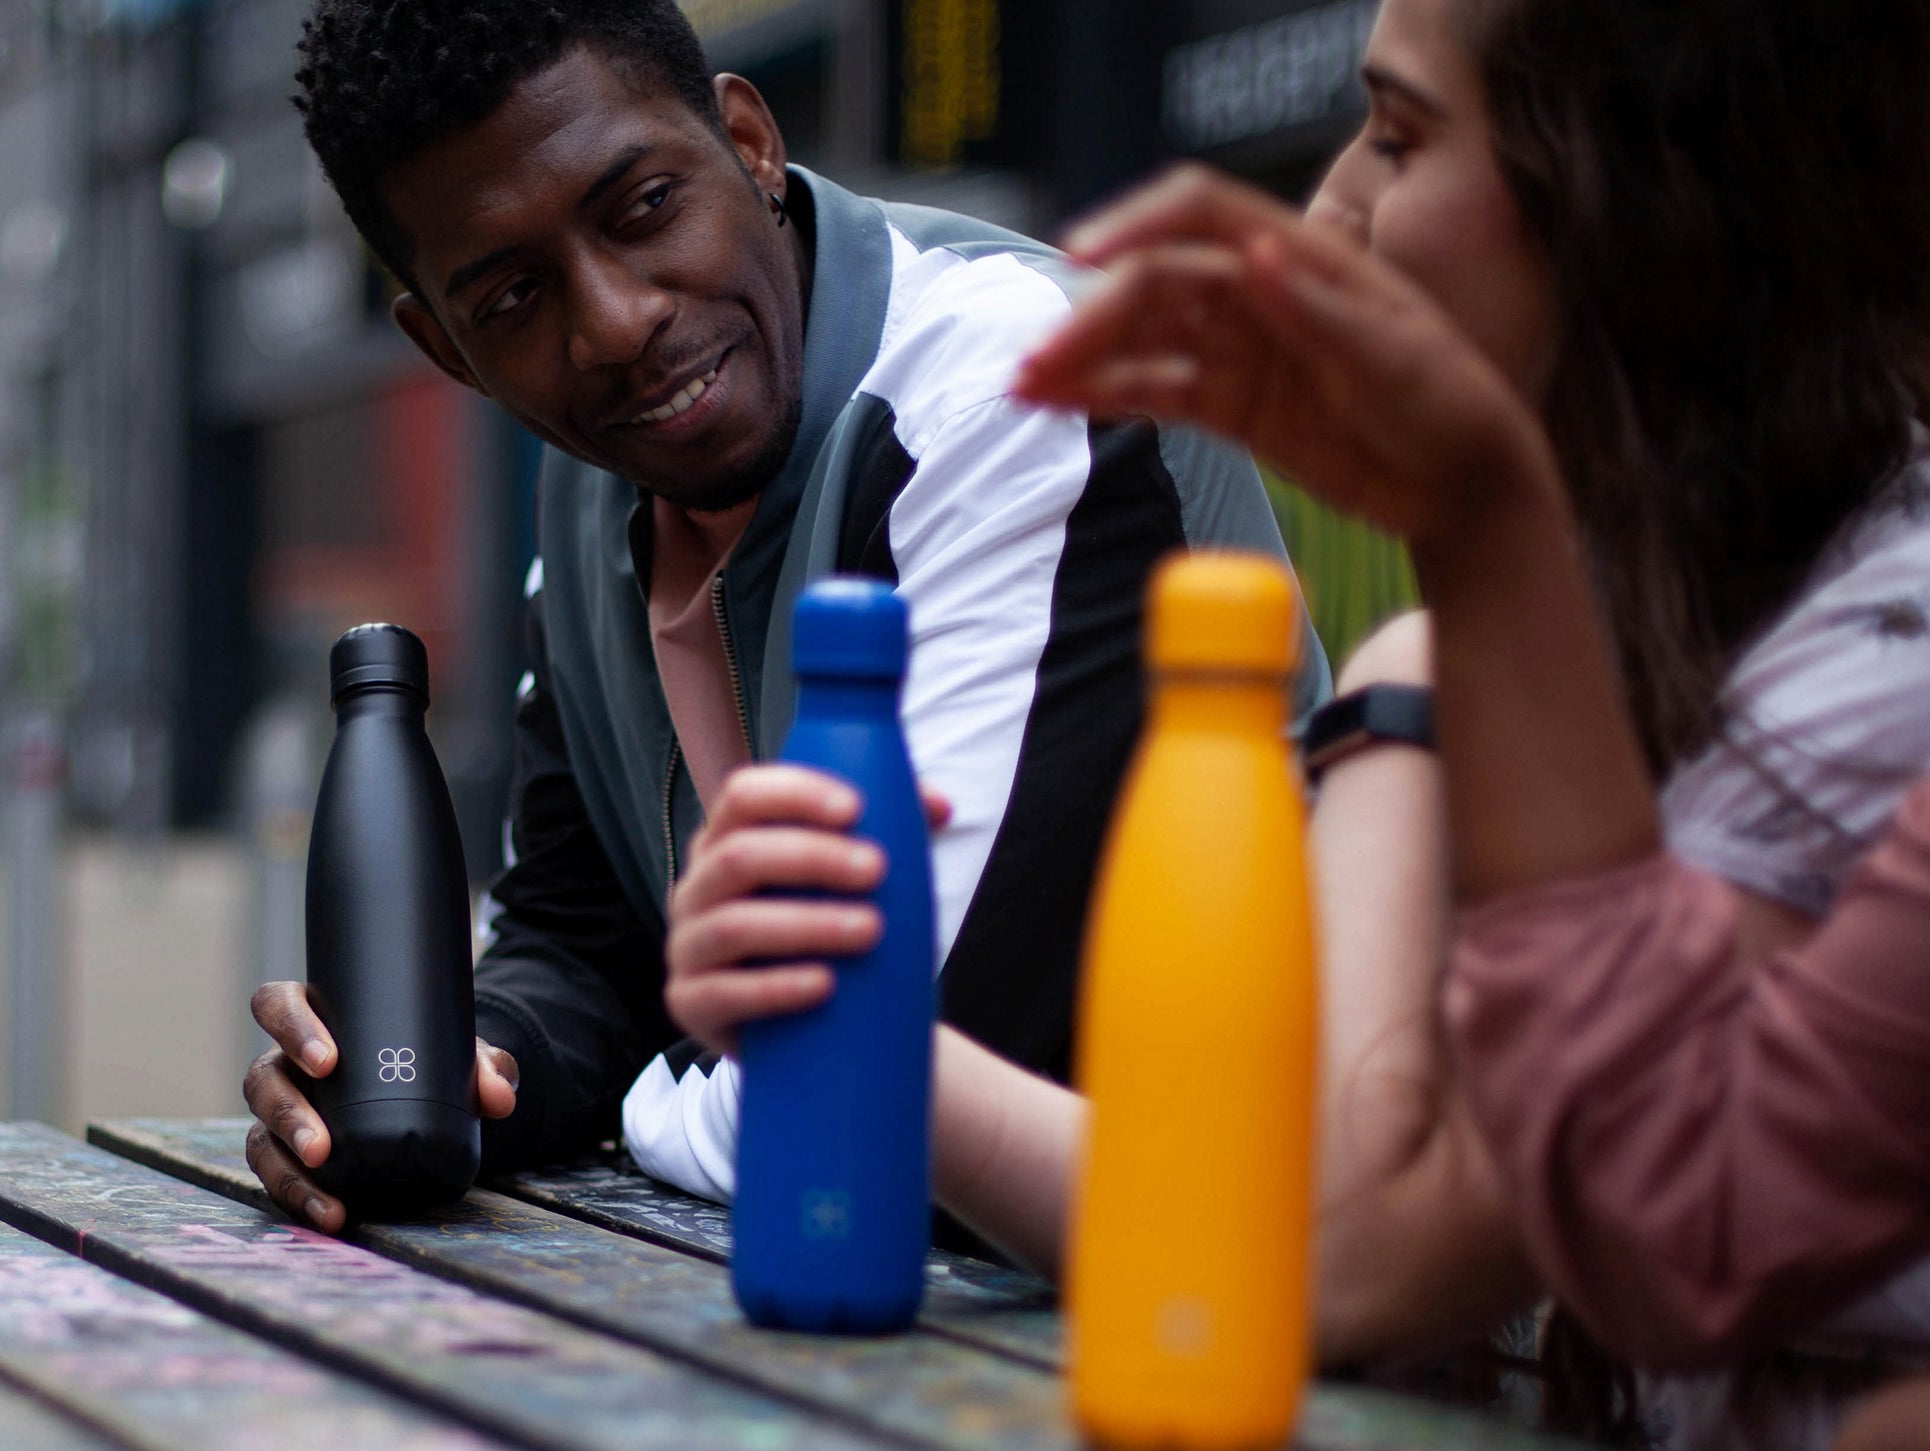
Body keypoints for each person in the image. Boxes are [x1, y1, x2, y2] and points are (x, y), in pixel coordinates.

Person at [671, 0, 1930, 1451]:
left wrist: (1473, 545)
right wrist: (834, 998)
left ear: (1649, 194)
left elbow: (1334, 1261)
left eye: (1399, 133)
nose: (1332, 206)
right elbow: (1259, 1222)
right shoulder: (1467, 655)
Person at [238, 0, 1323, 1233]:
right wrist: (437, 1079)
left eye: (642, 207)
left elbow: (880, 1087)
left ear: (748, 143)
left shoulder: (1018, 388)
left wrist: (645, 1103)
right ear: (445, 350)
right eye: (510, 301)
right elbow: (582, 935)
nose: (612, 323)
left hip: (1224, 1279)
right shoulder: (595, 493)